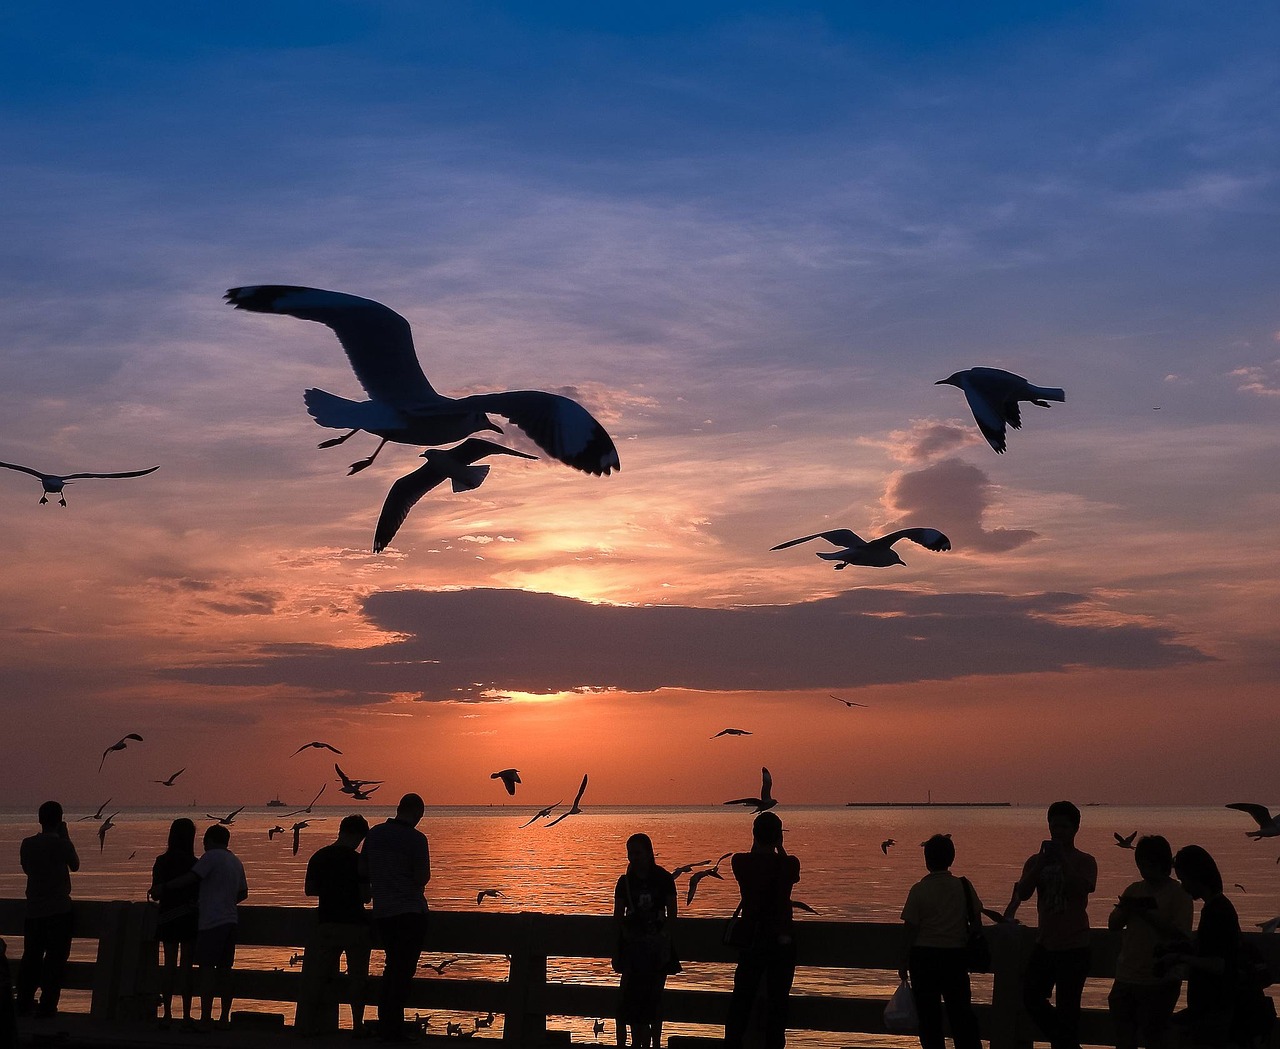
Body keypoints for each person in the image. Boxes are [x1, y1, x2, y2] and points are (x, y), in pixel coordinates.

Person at [1004, 800, 1097, 1049]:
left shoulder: (1085, 861)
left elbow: (1082, 887)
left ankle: (1065, 1043)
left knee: (1069, 1008)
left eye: (1065, 827)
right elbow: (1022, 893)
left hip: (1075, 945)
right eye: (1054, 826)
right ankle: (1067, 1043)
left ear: (1075, 829)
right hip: (1045, 944)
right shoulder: (1035, 861)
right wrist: (1040, 865)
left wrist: (1063, 861)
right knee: (1031, 997)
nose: (1058, 832)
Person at [153, 823, 248, 1029]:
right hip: (226, 921)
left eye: (205, 841)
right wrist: (226, 901)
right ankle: (219, 1018)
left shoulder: (207, 858)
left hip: (202, 921)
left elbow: (191, 879)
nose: (203, 845)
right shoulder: (235, 861)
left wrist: (165, 887)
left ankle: (186, 1016)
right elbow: (243, 893)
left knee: (201, 969)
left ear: (211, 840)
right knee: (223, 971)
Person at [1106, 835, 1192, 1049]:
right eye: (1140, 864)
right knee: (1123, 1039)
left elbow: (1180, 935)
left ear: (1162, 863)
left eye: (1148, 864)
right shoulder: (1134, 889)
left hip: (1159, 981)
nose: (1143, 869)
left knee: (1155, 1039)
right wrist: (1126, 909)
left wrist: (1147, 915)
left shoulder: (1179, 894)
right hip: (1126, 976)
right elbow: (1113, 924)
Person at [897, 834, 982, 1049]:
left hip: (924, 959)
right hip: (955, 957)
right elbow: (977, 921)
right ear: (951, 858)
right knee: (961, 1014)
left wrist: (903, 959)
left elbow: (911, 928)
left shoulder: (919, 890)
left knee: (928, 1019)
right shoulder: (963, 886)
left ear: (927, 860)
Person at [724, 811, 801, 1049]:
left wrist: (760, 843)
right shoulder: (789, 863)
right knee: (778, 1004)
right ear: (779, 837)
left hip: (752, 942)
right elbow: (792, 875)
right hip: (781, 943)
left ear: (754, 835)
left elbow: (752, 859)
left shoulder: (740, 862)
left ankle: (733, 1044)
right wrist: (779, 847)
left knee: (742, 1001)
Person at [297, 814, 372, 1037]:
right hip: (355, 925)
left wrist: (330, 890)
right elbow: (366, 896)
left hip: (327, 923)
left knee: (318, 976)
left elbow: (309, 890)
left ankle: (310, 1025)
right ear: (358, 836)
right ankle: (357, 1026)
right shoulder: (359, 861)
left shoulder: (319, 857)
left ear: (341, 831)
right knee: (358, 978)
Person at [364, 793, 430, 1043]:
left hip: (383, 914)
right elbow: (422, 877)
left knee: (391, 968)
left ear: (397, 808)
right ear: (418, 813)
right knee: (402, 972)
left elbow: (363, 870)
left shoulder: (374, 834)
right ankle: (394, 1030)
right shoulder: (417, 839)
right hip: (411, 913)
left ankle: (387, 1026)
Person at [1165, 845, 1239, 1046]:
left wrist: (1181, 958)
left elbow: (1218, 964)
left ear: (1196, 876)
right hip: (1210, 1007)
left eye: (1183, 880)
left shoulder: (1217, 912)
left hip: (1213, 1009)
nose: (1183, 887)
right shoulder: (1217, 907)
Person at [612, 833, 678, 1048]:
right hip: (634, 949)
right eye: (630, 853)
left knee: (653, 1000)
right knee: (630, 1001)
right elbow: (618, 916)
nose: (633, 857)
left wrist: (664, 938)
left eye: (637, 852)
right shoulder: (625, 882)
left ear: (650, 852)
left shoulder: (664, 878)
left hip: (655, 948)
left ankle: (653, 1043)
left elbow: (672, 914)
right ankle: (635, 1042)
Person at [16, 801, 80, 1018]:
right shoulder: (63, 845)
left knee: (31, 957)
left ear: (40, 820)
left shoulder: (27, 844)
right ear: (60, 821)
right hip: (59, 912)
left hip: (33, 911)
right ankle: (47, 1006)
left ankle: (23, 1002)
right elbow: (75, 865)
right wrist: (66, 837)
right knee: (55, 960)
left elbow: (27, 869)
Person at [148, 818, 200, 1029]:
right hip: (188, 918)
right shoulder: (196, 863)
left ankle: (167, 1014)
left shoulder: (161, 861)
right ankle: (186, 1015)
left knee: (169, 966)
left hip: (168, 917)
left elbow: (157, 893)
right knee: (186, 967)